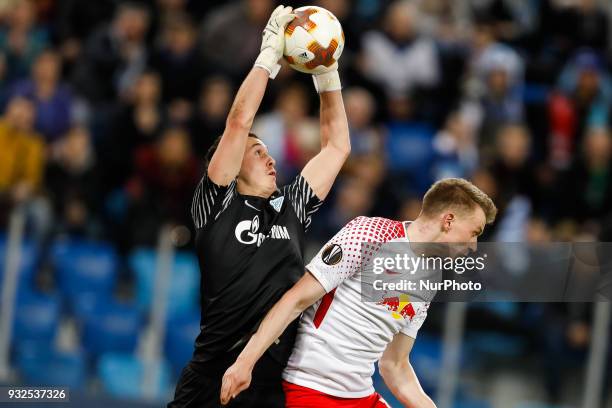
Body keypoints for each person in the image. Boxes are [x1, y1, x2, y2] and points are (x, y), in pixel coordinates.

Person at [168, 5, 350, 408]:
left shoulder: (292, 206)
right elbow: (238, 121)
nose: (269, 159)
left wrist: (326, 72)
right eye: (257, 151)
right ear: (231, 168)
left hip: (272, 380)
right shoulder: (214, 206)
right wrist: (269, 56)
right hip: (214, 373)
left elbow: (337, 147)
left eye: (268, 151)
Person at [221, 178, 497, 407]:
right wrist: (244, 362)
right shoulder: (370, 234)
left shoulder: (431, 279)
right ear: (448, 221)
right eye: (474, 232)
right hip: (312, 390)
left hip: (361, 397)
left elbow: (395, 366)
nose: (474, 246)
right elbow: (296, 300)